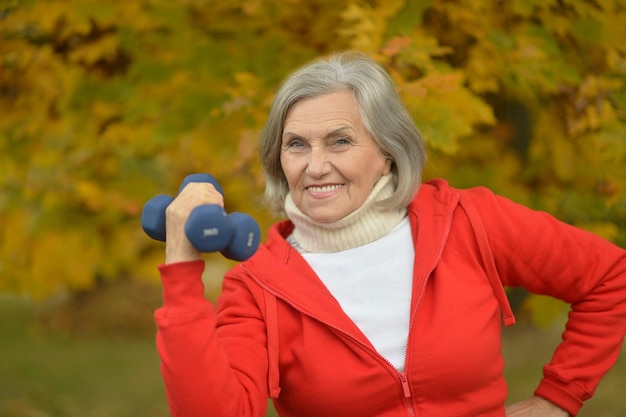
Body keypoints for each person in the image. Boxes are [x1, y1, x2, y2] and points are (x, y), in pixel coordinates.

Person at [155, 51, 626, 417]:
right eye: (297, 144)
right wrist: (181, 272)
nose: (316, 166)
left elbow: (610, 277)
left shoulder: (467, 222)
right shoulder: (258, 286)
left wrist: (559, 396)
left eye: (340, 140)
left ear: (387, 151)